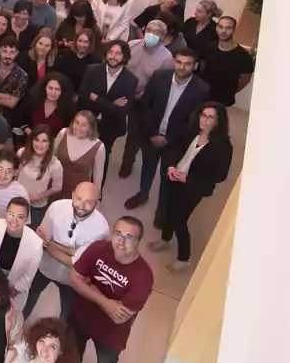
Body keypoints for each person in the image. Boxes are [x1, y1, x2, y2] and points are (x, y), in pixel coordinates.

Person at [67, 216, 154, 363]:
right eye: (118, 234)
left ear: (138, 242)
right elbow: (74, 277)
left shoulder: (143, 276)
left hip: (111, 333)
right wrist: (106, 301)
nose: (121, 242)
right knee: (69, 358)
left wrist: (91, 286)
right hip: (80, 317)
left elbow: (120, 314)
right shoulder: (98, 249)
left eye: (129, 237)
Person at [123, 50, 210, 214]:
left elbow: (194, 123)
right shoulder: (159, 77)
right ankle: (143, 194)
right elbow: (145, 107)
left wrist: (169, 139)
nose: (182, 67)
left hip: (175, 141)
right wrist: (152, 134)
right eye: (179, 62)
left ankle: (162, 209)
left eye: (187, 64)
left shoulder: (202, 89)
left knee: (167, 174)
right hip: (152, 134)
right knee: (147, 167)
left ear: (195, 66)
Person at [148, 102, 233, 270]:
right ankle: (165, 239)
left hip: (192, 188)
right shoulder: (191, 132)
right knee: (168, 209)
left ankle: (183, 258)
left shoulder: (223, 147)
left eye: (210, 117)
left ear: (218, 121)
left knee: (180, 220)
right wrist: (172, 166)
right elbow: (176, 151)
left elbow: (219, 176)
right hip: (174, 178)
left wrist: (188, 179)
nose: (204, 120)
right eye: (203, 115)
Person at [25, 182, 110, 320]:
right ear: (73, 196)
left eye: (89, 202)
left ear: (97, 204)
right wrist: (68, 251)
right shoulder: (56, 208)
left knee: (67, 315)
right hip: (44, 266)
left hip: (73, 279)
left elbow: (77, 263)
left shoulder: (101, 228)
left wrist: (50, 245)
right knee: (29, 298)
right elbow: (41, 240)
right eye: (79, 199)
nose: (82, 206)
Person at [79, 40, 139, 179]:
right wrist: (111, 104)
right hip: (87, 122)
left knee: (101, 160)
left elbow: (122, 112)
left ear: (124, 57)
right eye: (111, 52)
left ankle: (97, 192)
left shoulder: (131, 80)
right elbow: (83, 97)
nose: (113, 56)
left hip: (110, 127)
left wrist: (96, 99)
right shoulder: (92, 70)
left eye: (118, 53)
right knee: (80, 155)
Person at [0, 198, 43, 311]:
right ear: (5, 214)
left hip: (13, 288)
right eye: (11, 214)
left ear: (26, 219)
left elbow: (26, 278)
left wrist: (6, 297)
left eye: (20, 217)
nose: (14, 220)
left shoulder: (35, 244)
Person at [199, 15, 254, 107]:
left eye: (228, 28)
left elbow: (245, 80)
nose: (223, 31)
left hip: (223, 100)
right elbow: (202, 67)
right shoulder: (208, 47)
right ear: (216, 28)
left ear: (234, 29)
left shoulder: (243, 56)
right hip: (203, 94)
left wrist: (231, 91)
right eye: (220, 27)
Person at [52, 111, 106, 199]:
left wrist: (96, 196)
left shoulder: (99, 147)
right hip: (55, 183)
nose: (78, 128)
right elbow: (52, 156)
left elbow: (98, 176)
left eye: (84, 125)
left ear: (90, 128)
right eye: (76, 122)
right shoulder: (63, 133)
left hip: (78, 190)